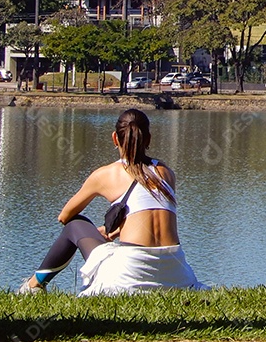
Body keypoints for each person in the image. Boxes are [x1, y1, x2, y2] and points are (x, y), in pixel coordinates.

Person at [18, 108, 207, 295]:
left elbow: (65, 216)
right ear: (148, 139)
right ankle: (35, 286)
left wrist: (99, 230)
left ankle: (34, 285)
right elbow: (150, 210)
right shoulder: (166, 173)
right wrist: (115, 231)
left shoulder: (105, 174)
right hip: (178, 274)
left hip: (131, 274)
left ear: (115, 138)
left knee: (75, 224)